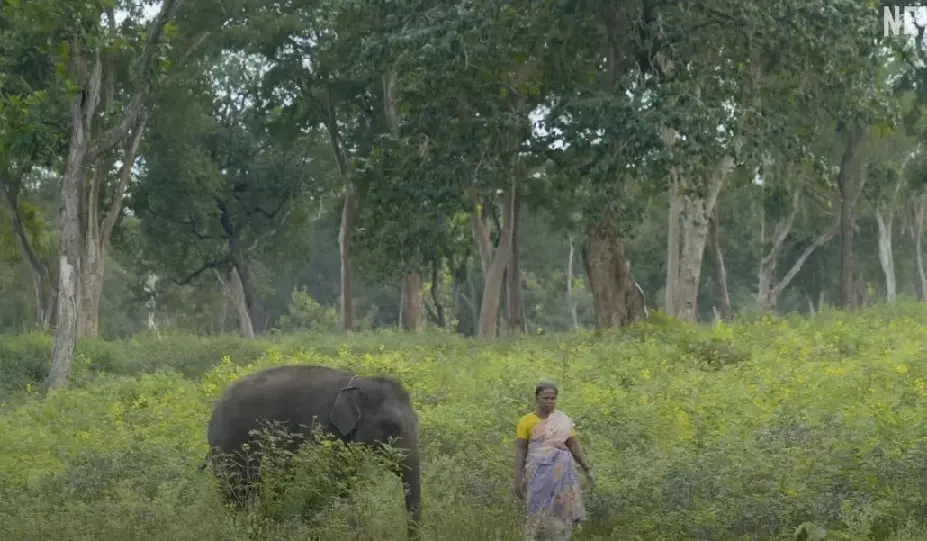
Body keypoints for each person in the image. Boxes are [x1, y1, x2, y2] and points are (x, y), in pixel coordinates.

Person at [514, 381, 594, 541]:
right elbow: (521, 450)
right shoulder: (526, 421)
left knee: (560, 513)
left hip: (560, 477)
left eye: (553, 398)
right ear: (537, 399)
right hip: (537, 476)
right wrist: (518, 478)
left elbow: (573, 445)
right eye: (546, 398)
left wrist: (587, 468)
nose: (550, 402)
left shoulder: (562, 421)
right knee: (537, 511)